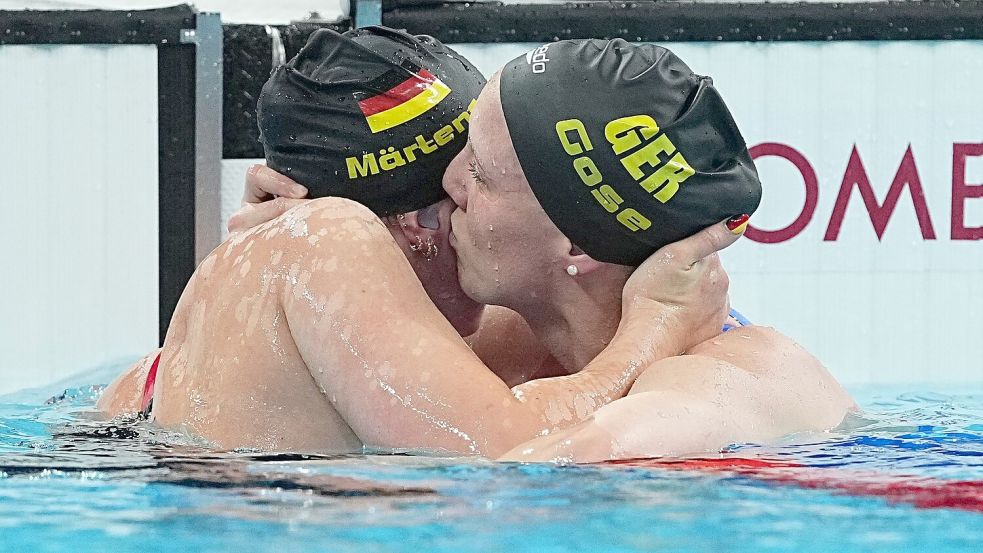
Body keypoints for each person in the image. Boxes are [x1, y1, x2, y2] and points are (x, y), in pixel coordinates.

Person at [98, 28, 736, 456]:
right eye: (461, 199)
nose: (466, 226)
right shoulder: (331, 237)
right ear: (416, 224)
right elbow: (512, 453)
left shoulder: (176, 351)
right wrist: (654, 329)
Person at [238, 38, 857, 462]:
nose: (451, 184)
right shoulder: (518, 341)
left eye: (478, 173)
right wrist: (277, 278)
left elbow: (524, 474)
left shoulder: (726, 386)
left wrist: (654, 332)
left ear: (577, 240)